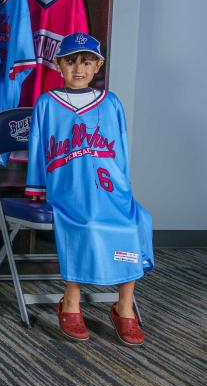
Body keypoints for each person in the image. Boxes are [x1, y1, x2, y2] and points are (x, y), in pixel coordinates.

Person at [25, 33, 153, 345]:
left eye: (86, 61)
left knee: (135, 221)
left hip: (109, 189)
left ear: (98, 65)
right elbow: (38, 146)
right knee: (89, 223)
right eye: (70, 61)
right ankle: (71, 299)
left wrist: (123, 189)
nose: (78, 68)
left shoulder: (110, 102)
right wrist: (35, 187)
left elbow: (120, 149)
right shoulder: (47, 103)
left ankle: (124, 307)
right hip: (69, 188)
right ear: (58, 65)